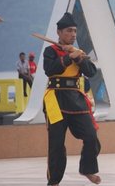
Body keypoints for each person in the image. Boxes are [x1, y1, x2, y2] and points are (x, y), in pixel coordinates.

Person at [42, 12, 101, 186]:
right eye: (69, 31)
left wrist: (79, 57)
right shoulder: (50, 50)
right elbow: (50, 70)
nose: (73, 34)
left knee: (91, 136)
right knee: (56, 144)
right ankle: (53, 181)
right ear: (59, 33)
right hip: (56, 99)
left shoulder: (78, 52)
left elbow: (91, 72)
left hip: (76, 99)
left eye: (75, 31)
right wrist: (68, 57)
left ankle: (87, 168)